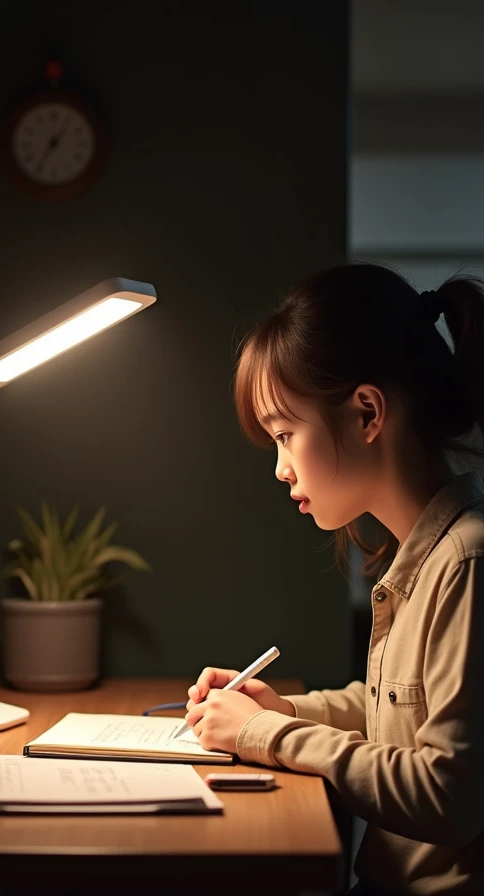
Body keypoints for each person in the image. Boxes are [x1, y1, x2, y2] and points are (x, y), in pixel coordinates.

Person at [183, 262, 484, 895]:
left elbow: (447, 795)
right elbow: (395, 715)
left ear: (368, 413)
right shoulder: (426, 556)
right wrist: (284, 709)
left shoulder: (466, 562)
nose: (280, 469)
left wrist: (265, 734)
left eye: (286, 435)